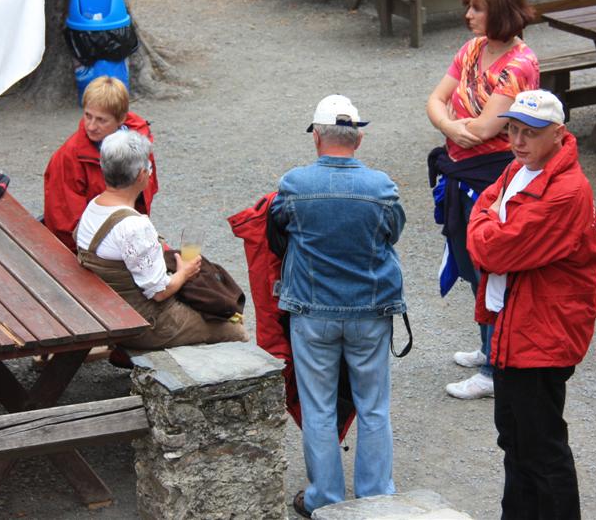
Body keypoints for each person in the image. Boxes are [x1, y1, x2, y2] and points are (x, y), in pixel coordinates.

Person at [467, 90, 596, 519]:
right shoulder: (518, 170)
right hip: (517, 329)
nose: (518, 141)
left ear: (559, 135)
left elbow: (494, 252)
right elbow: (483, 213)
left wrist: (487, 223)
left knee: (541, 447)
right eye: (512, 130)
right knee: (515, 439)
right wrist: (489, 222)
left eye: (530, 133)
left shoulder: (566, 192)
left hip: (541, 335)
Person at [270, 94, 406, 518]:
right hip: (369, 310)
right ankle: (375, 496)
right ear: (358, 139)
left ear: (316, 138)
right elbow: (392, 234)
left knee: (319, 408)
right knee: (373, 405)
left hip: (313, 312)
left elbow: (276, 231)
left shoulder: (295, 184)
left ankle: (324, 499)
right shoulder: (382, 187)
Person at [426, 0, 539, 400]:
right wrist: (452, 125)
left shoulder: (519, 65)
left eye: (477, 8)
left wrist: (450, 123)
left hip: (492, 176)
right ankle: (486, 347)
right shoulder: (472, 48)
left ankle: (494, 368)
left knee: (490, 267)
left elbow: (489, 127)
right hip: (461, 172)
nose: (467, 15)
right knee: (471, 264)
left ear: (502, 14)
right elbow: (434, 101)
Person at [75, 129, 247, 350]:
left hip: (109, 307)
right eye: (149, 167)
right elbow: (159, 292)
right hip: (146, 324)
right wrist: (184, 271)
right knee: (235, 330)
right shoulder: (134, 226)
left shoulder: (95, 205)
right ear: (140, 175)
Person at [44, 76, 159, 253]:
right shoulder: (69, 157)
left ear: (121, 119)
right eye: (87, 116)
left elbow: (145, 195)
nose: (90, 126)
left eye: (101, 120)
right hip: (91, 250)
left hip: (126, 235)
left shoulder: (139, 143)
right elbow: (65, 225)